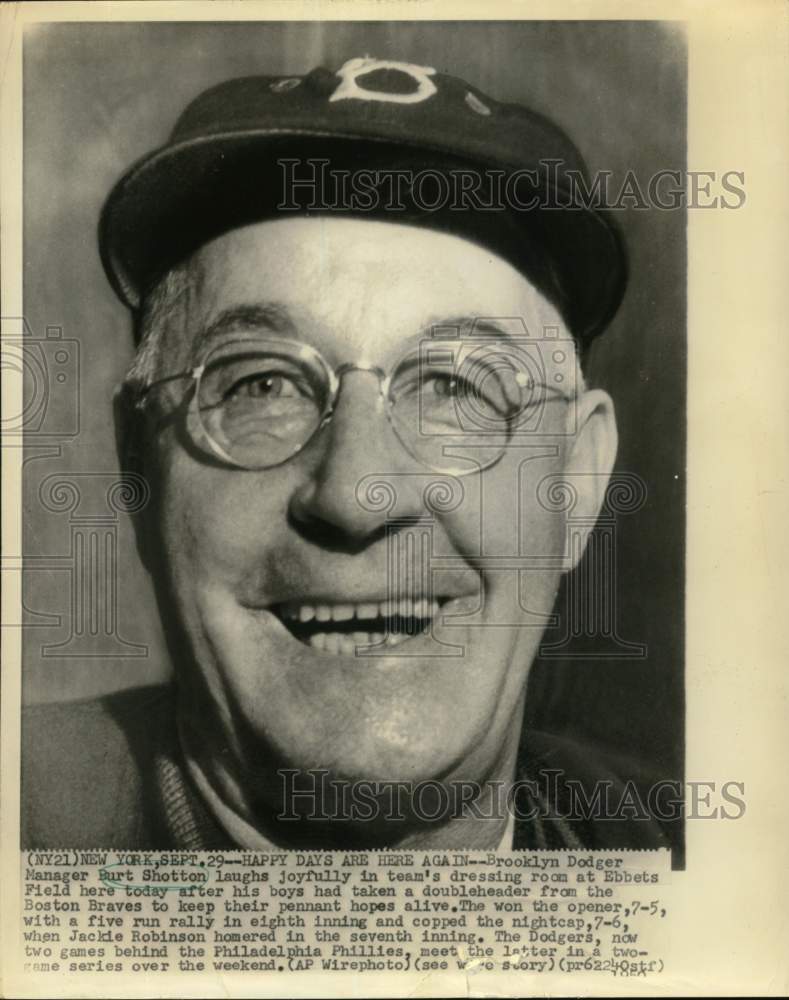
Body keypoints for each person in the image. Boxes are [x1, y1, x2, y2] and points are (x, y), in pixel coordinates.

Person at [22, 57, 670, 850]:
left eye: (457, 387)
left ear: (574, 483)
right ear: (138, 470)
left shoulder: (711, 875)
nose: (356, 490)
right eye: (261, 383)